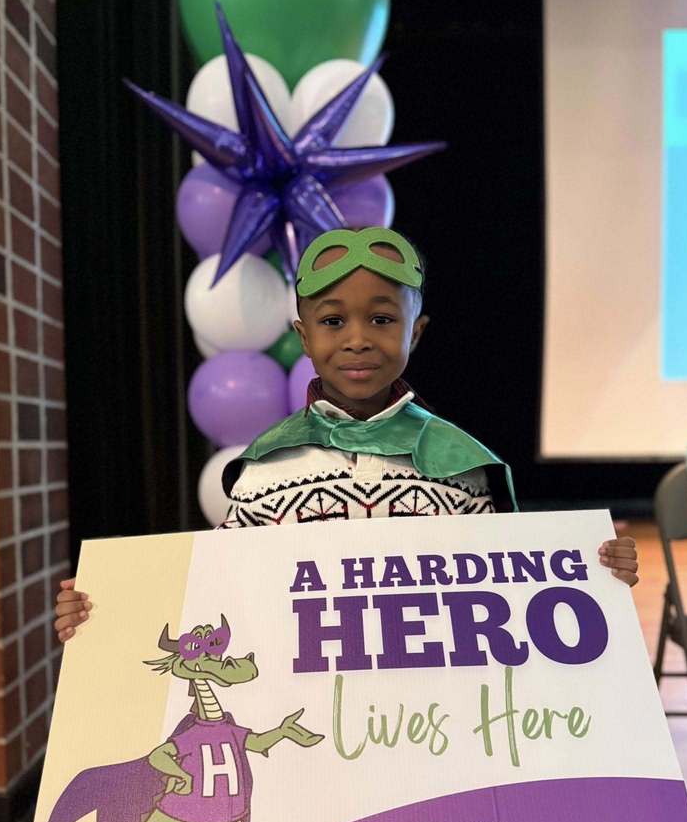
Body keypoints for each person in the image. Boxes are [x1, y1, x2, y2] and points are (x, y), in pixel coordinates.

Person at [55, 226, 638, 641]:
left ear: (415, 332)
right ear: (304, 337)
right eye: (333, 321)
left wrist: (596, 569)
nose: (357, 339)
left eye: (382, 319)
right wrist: (110, 610)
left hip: (434, 728)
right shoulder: (266, 471)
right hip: (310, 735)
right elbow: (215, 591)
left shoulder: (462, 466)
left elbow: (515, 594)